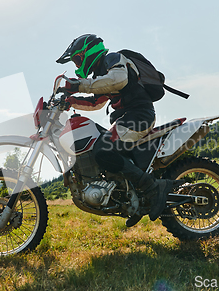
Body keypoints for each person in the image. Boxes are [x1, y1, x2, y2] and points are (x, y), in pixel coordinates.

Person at [56, 34, 175, 227]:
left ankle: (153, 188)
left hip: (138, 116)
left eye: (78, 59)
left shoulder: (114, 59)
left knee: (103, 150)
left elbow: (117, 80)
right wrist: (71, 100)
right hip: (125, 120)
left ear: (88, 52)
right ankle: (131, 200)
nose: (78, 66)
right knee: (99, 149)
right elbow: (96, 101)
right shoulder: (101, 75)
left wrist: (79, 85)